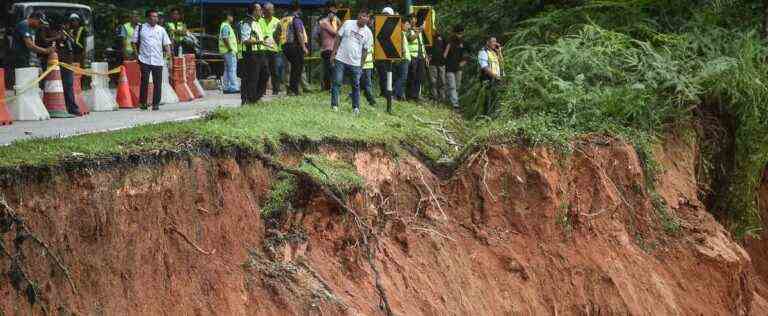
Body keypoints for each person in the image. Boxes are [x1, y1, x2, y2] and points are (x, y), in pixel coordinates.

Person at [330, 8, 373, 114]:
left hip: (355, 63)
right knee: (337, 81)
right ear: (359, 15)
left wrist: (361, 66)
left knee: (356, 85)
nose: (364, 18)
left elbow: (365, 51)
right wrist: (333, 53)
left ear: (368, 19)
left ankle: (356, 107)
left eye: (366, 17)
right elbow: (338, 38)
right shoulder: (348, 23)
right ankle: (334, 105)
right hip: (341, 58)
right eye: (363, 15)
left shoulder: (368, 33)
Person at [131, 9, 172, 111]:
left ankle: (155, 104)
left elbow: (166, 44)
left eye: (156, 17)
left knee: (157, 83)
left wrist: (169, 58)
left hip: (158, 60)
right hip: (144, 59)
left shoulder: (161, 30)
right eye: (153, 16)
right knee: (144, 81)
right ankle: (143, 103)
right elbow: (133, 42)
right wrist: (136, 55)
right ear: (148, 18)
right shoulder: (140, 28)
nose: (155, 19)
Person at [240, 3, 268, 104]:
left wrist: (263, 40)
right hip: (251, 53)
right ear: (254, 11)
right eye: (260, 10)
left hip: (260, 52)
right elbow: (245, 40)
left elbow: (257, 37)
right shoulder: (247, 22)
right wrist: (259, 42)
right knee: (252, 77)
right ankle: (249, 99)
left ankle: (255, 97)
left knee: (265, 74)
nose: (261, 11)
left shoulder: (257, 22)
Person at [282, 1, 308, 96]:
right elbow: (299, 33)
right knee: (297, 68)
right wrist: (304, 47)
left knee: (292, 68)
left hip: (285, 46)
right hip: (294, 46)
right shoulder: (296, 19)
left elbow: (275, 34)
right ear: (298, 9)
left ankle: (291, 89)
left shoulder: (283, 20)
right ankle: (294, 90)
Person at [259, 2, 282, 96]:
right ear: (263, 11)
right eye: (267, 10)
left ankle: (276, 90)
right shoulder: (259, 21)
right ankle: (262, 91)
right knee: (264, 71)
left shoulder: (277, 21)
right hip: (263, 49)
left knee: (275, 71)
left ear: (273, 10)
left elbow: (281, 35)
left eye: (271, 10)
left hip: (274, 50)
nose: (269, 12)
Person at [478, 36, 504, 115]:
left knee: (496, 99)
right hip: (488, 79)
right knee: (488, 99)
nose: (495, 43)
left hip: (497, 79)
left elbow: (501, 64)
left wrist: (499, 52)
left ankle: (495, 116)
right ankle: (487, 117)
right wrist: (495, 76)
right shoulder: (483, 52)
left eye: (495, 41)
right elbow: (484, 67)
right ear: (487, 42)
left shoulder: (494, 52)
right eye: (493, 41)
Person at [318, 1, 340, 91]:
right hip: (327, 49)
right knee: (328, 69)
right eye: (332, 13)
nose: (333, 15)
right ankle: (327, 87)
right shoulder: (323, 22)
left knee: (331, 68)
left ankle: (331, 86)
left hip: (334, 48)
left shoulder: (335, 21)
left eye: (334, 14)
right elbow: (335, 33)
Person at [444, 25, 466, 109]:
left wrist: (464, 61)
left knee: (457, 86)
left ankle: (450, 99)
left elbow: (466, 53)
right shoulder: (449, 42)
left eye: (461, 34)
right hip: (449, 67)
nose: (460, 35)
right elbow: (444, 55)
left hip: (458, 68)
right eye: (459, 33)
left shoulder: (463, 42)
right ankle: (455, 104)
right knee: (452, 86)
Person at [405, 14, 427, 101]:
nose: (414, 20)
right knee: (412, 76)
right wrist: (419, 31)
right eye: (412, 19)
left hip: (421, 57)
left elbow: (422, 44)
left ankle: (416, 95)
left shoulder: (418, 30)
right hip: (413, 56)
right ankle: (409, 95)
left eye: (415, 19)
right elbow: (410, 39)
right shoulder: (408, 30)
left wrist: (426, 57)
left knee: (420, 76)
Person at [375, 6, 395, 96]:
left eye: (387, 15)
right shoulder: (377, 25)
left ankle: (389, 92)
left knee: (389, 74)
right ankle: (384, 92)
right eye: (384, 14)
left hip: (390, 54)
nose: (385, 16)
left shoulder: (394, 26)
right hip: (380, 54)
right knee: (382, 74)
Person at [219, 11, 240, 94]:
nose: (232, 18)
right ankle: (234, 87)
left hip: (226, 51)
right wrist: (230, 48)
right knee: (232, 69)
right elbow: (225, 38)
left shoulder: (225, 26)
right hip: (228, 51)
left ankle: (226, 87)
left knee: (227, 70)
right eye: (232, 16)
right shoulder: (226, 26)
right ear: (228, 16)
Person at [393, 18, 411, 101]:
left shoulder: (403, 33)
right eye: (407, 24)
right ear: (402, 24)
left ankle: (400, 96)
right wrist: (402, 56)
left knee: (402, 77)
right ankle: (395, 94)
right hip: (403, 59)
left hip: (404, 59)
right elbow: (402, 48)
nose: (409, 26)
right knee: (402, 77)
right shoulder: (400, 33)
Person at [428, 31, 446, 102]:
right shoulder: (430, 38)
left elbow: (447, 48)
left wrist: (445, 58)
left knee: (442, 81)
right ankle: (434, 96)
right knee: (433, 81)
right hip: (432, 63)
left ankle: (442, 97)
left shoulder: (443, 39)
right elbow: (428, 49)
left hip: (441, 63)